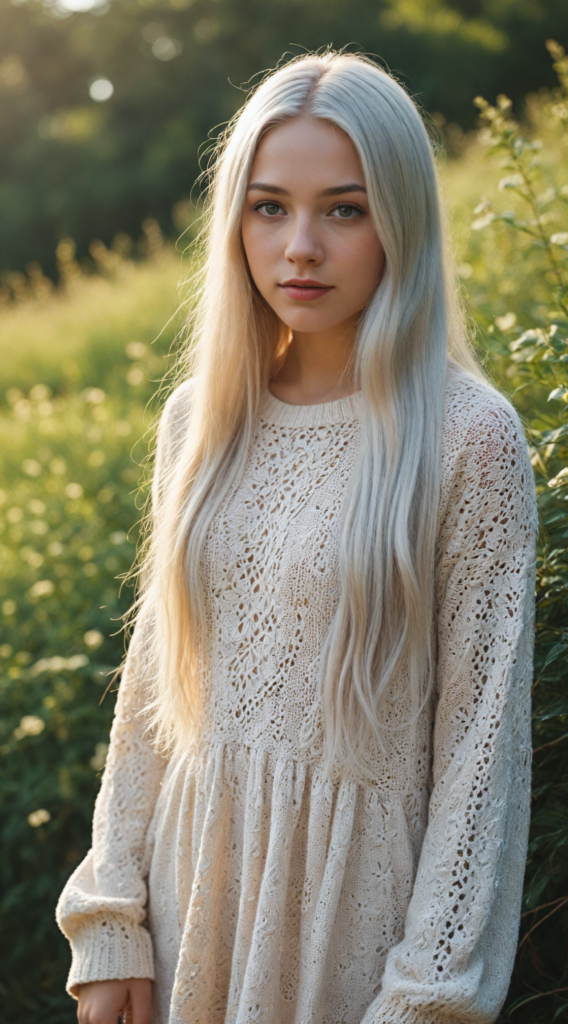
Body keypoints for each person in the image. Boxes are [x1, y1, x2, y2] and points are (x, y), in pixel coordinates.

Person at [56, 51, 537, 1024]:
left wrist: (427, 997)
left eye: (344, 209)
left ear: (400, 217)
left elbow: (484, 756)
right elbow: (157, 683)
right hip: (189, 890)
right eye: (269, 207)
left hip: (350, 930)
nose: (300, 247)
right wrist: (112, 915)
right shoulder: (199, 421)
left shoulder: (468, 439)